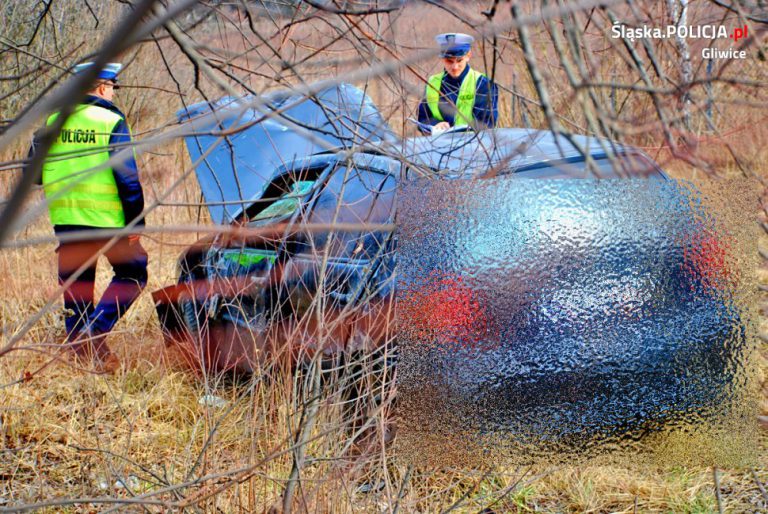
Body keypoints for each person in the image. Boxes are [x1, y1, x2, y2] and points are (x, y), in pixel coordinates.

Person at [27, 62, 148, 373]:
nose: (111, 93)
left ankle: (80, 355)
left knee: (77, 286)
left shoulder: (54, 120)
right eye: (111, 88)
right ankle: (94, 331)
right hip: (107, 221)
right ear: (101, 88)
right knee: (134, 274)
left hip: (67, 220)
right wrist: (135, 225)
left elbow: (35, 175)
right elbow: (129, 179)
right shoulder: (111, 120)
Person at [417, 33, 499, 135]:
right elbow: (422, 119)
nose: (455, 67)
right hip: (438, 146)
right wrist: (436, 124)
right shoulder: (432, 83)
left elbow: (488, 123)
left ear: (468, 55)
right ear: (442, 58)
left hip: (473, 147)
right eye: (449, 61)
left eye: (459, 60)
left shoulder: (483, 84)